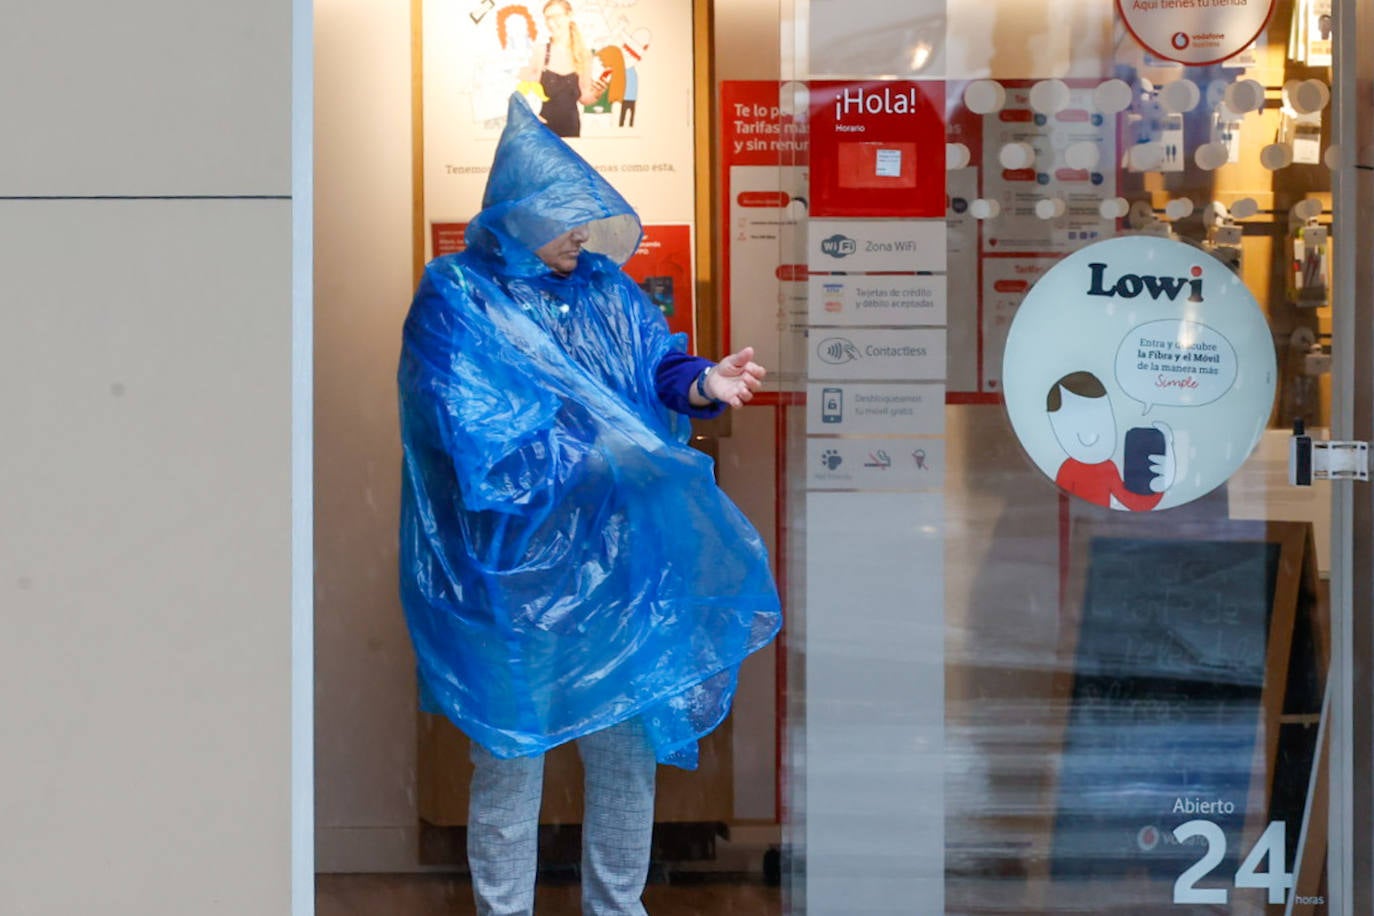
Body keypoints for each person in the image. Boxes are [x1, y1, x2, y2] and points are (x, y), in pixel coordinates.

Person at [397, 93, 783, 916]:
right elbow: (461, 419)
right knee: (509, 754)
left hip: (618, 561)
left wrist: (702, 383)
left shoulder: (607, 289)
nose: (582, 233)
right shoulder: (457, 295)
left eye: (587, 215)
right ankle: (504, 911)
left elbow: (655, 368)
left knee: (624, 749)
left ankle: (618, 907)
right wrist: (586, 449)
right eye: (566, 216)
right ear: (517, 211)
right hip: (513, 566)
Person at [1045, 370, 1174, 511]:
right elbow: (1058, 508)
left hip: (1097, 525)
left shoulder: (1108, 468)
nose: (1090, 434)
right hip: (1082, 525)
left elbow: (1134, 502)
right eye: (1074, 424)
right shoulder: (1068, 470)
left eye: (1101, 421)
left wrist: (1158, 487)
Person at [524, 0, 605, 137]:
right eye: (547, 18)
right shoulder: (541, 52)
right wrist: (531, 115)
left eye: (556, 16)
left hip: (571, 129)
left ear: (569, 16)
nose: (551, 23)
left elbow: (584, 98)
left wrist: (597, 93)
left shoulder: (583, 55)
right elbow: (527, 92)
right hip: (542, 130)